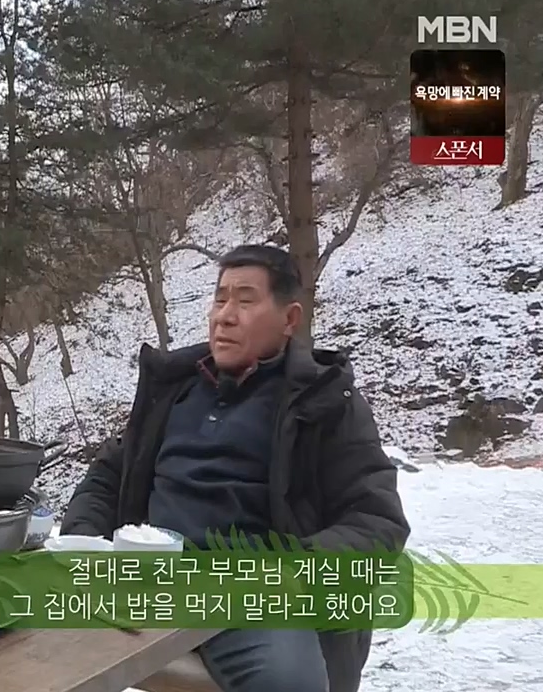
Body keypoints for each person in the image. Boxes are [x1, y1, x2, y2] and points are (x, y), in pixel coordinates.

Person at [60, 244, 410, 692]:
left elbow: (377, 524)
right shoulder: (174, 388)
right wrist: (85, 543)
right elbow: (109, 474)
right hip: (145, 583)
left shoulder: (324, 402)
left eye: (245, 301)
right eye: (220, 298)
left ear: (289, 320)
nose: (224, 316)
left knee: (290, 684)